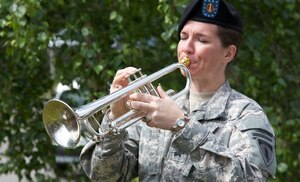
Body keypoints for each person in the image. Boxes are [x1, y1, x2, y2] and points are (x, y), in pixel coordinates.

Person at [79, 0, 277, 181]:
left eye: (201, 40)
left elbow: (252, 179)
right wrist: (114, 120)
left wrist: (182, 126)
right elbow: (104, 177)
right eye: (183, 37)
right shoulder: (157, 109)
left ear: (228, 53)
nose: (187, 48)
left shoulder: (247, 115)